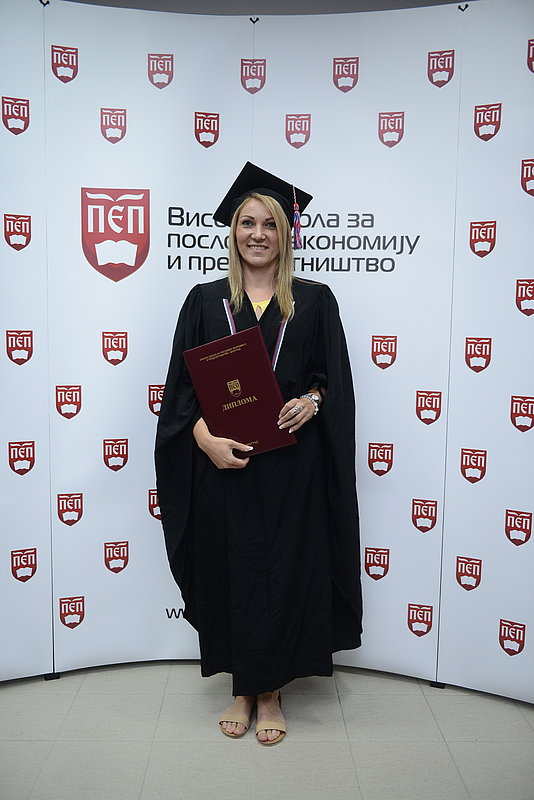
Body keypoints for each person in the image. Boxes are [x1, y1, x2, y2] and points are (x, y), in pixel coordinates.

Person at [155, 162, 362, 746]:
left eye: (269, 224)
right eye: (247, 223)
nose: (258, 234)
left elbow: (331, 381)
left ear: (286, 234)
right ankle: (242, 687)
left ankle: (270, 692)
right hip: (226, 467)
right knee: (232, 571)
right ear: (233, 232)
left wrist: (312, 402)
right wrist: (205, 440)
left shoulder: (315, 302)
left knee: (287, 572)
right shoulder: (204, 302)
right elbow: (180, 394)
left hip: (293, 469)